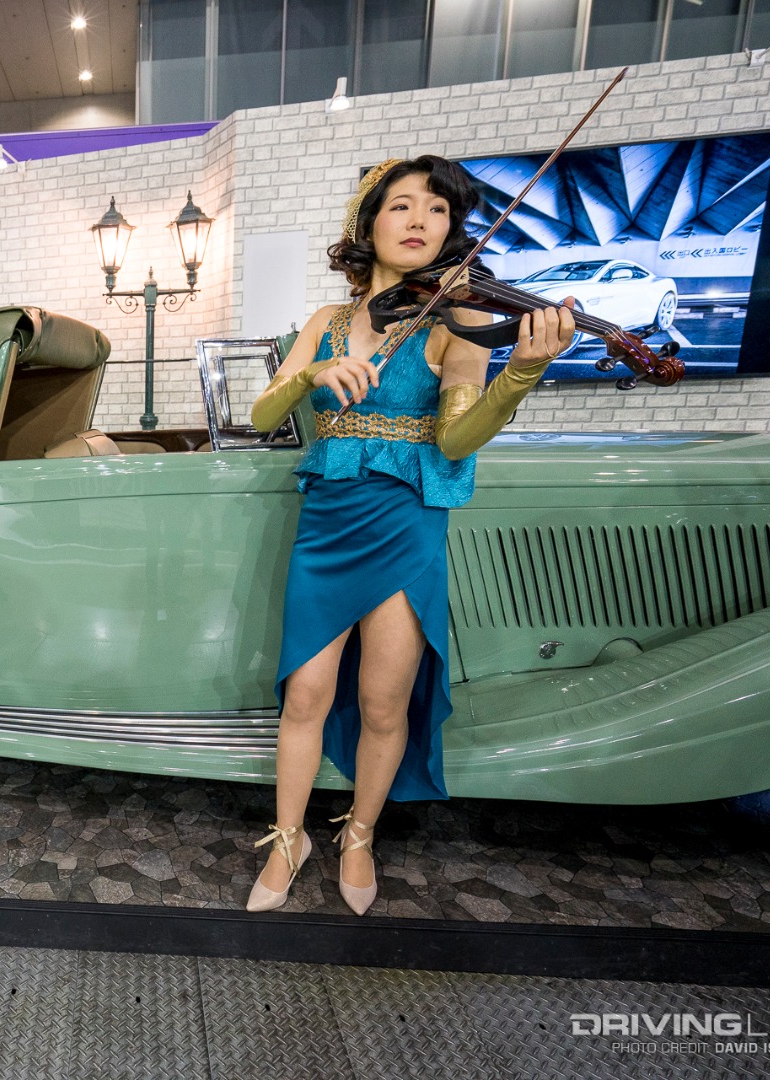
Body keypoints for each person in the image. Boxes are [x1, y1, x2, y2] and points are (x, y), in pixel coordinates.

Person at [245, 156, 576, 914]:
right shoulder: (326, 324)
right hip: (329, 523)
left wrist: (521, 373)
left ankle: (359, 834)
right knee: (305, 692)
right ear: (370, 224)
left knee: (383, 703)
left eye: (438, 209)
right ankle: (288, 838)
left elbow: (455, 440)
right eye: (401, 205)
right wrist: (310, 377)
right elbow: (262, 415)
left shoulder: (460, 322)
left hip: (404, 524)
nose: (420, 220)